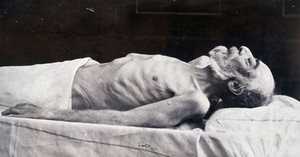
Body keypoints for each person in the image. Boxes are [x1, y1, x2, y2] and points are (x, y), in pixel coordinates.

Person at [1, 46, 275, 128]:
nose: (244, 48)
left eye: (250, 61)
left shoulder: (195, 100)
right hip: (68, 69)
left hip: (58, 94)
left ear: (236, 85)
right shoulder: (200, 65)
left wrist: (46, 114)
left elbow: (125, 120)